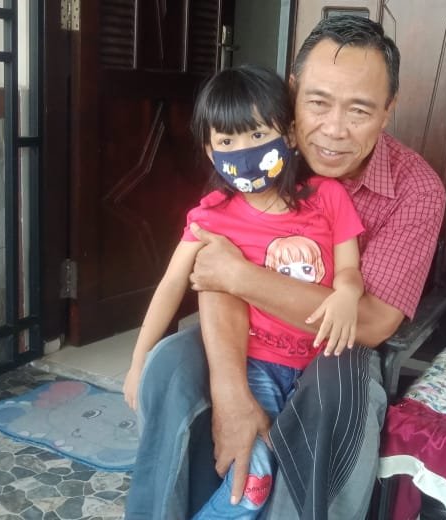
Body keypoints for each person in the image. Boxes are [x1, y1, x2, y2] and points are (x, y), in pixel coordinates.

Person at [126, 15, 446, 519]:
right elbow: (212, 270)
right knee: (168, 367)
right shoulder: (255, 157)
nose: (334, 130)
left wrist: (242, 276)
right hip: (248, 337)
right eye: (318, 103)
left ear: (388, 111)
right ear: (293, 92)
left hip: (337, 351)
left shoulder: (415, 189)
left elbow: (370, 323)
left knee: (343, 404)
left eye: (359, 110)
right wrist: (230, 391)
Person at [123, 64, 367, 518]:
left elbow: (349, 270)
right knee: (252, 483)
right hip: (253, 368)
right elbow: (171, 284)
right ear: (209, 151)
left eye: (257, 134)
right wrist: (139, 362)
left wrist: (347, 295)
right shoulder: (211, 216)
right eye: (227, 142)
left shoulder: (327, 197)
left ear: (288, 135)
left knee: (296, 487)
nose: (244, 151)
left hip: (316, 374)